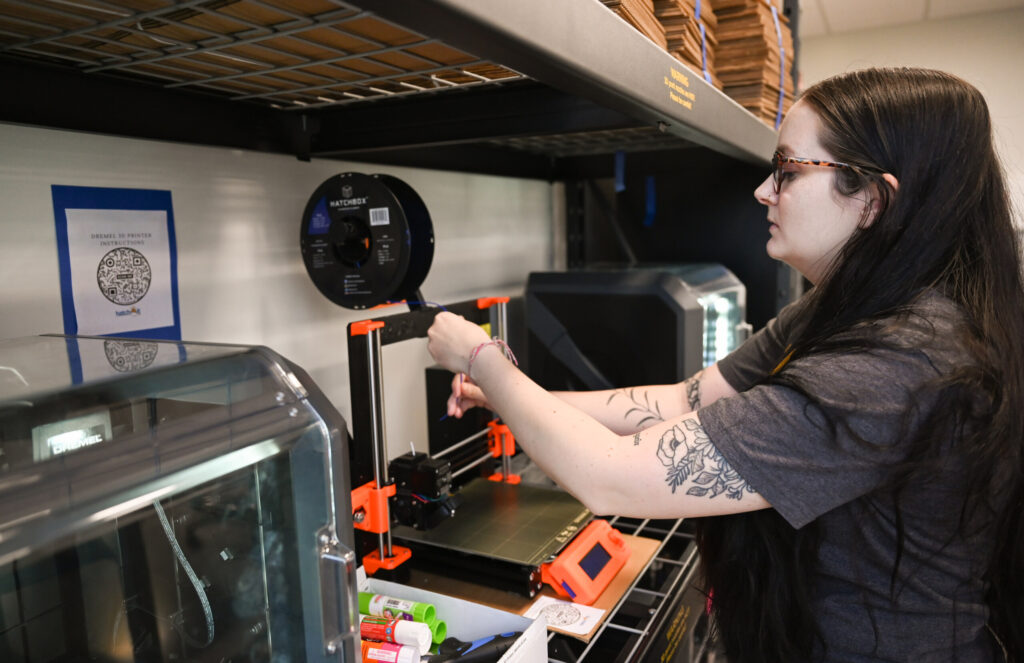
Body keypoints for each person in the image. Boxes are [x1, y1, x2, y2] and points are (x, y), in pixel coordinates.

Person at [426, 67, 1024, 662]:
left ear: (871, 198)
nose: (764, 191)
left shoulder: (893, 366)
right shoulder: (846, 307)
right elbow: (685, 400)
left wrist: (480, 357)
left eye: (788, 171)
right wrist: (512, 392)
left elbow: (606, 476)